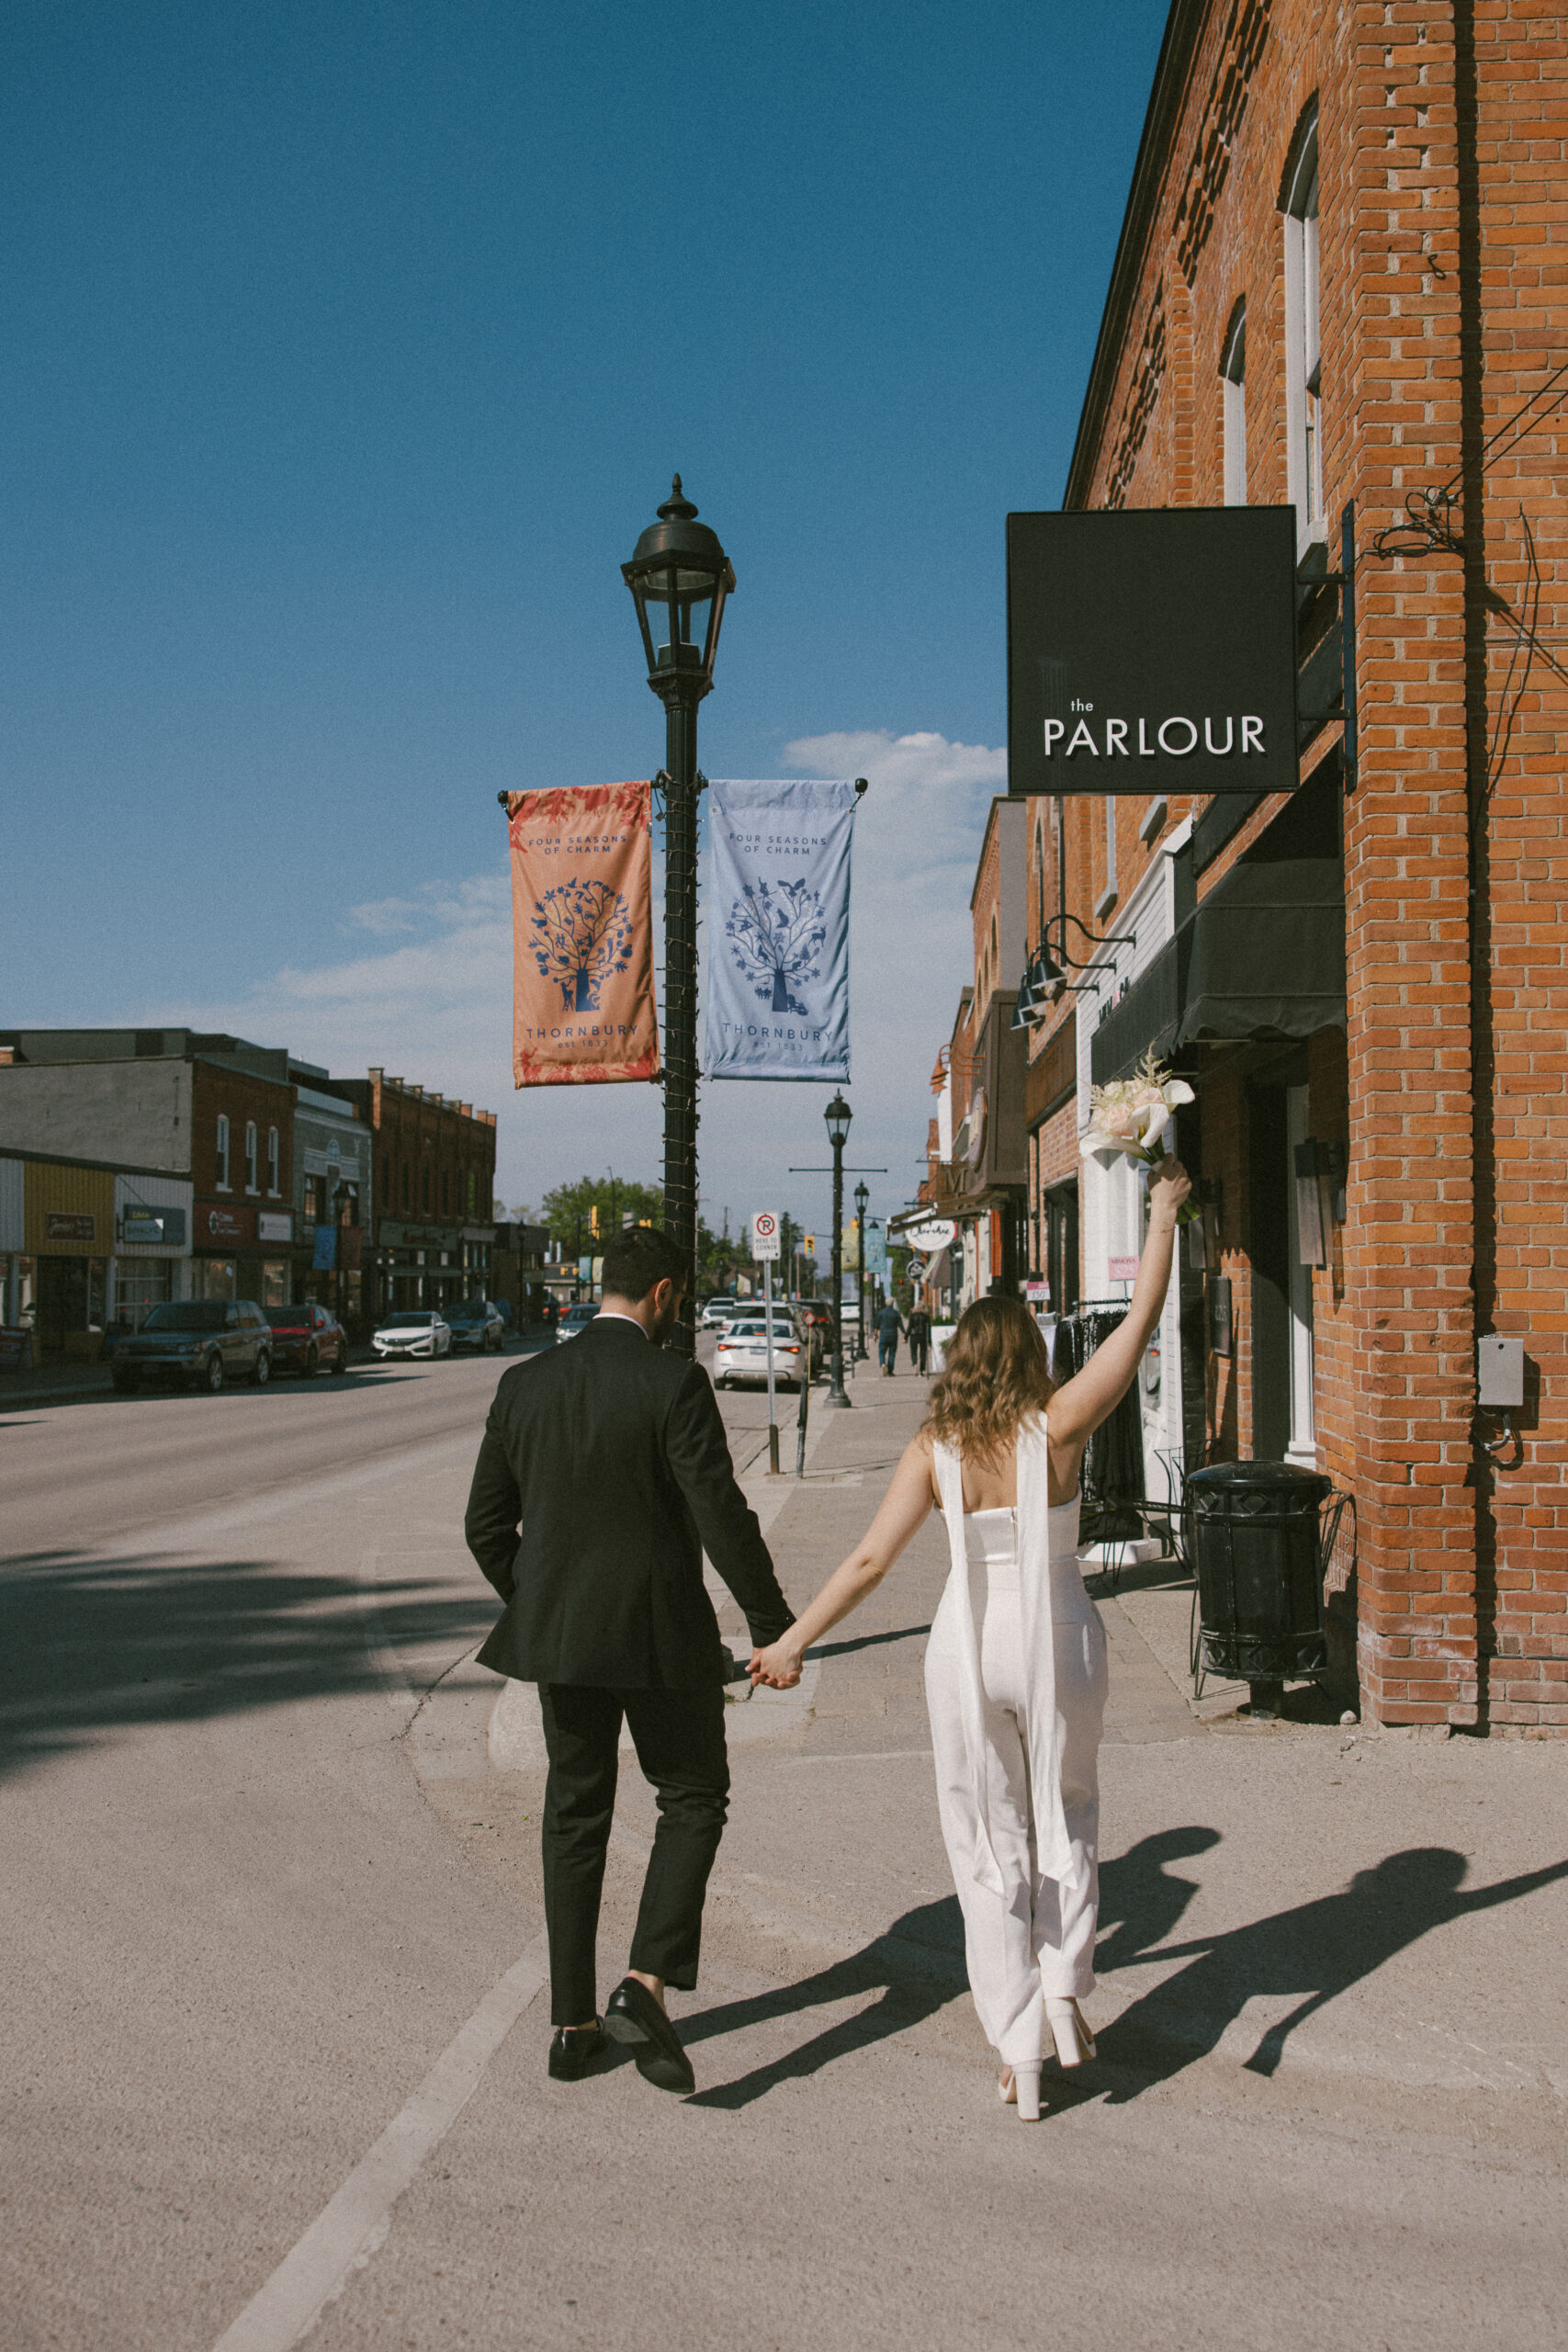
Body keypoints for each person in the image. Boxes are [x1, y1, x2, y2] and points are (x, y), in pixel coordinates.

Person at [753, 1160, 1190, 2120]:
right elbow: (1135, 1329)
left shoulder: (934, 1449)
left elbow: (868, 1562)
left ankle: (1019, 2050)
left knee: (986, 1841)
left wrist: (791, 1642)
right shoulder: (1061, 1420)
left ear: (956, 1356)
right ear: (1030, 1352)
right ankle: (1068, 1985)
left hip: (965, 1644)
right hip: (1058, 1630)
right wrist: (1162, 1218)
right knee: (1067, 1809)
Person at [465, 1223, 794, 2095]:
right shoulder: (673, 1383)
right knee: (691, 1795)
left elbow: (484, 1527)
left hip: (563, 1641)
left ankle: (570, 2027)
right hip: (659, 1638)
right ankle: (644, 1981)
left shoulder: (524, 1383)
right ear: (663, 1297)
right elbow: (721, 1514)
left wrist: (539, 1602)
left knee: (574, 1815)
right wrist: (772, 1625)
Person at [875, 1296, 905, 1376]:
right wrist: (904, 1334)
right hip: (893, 1335)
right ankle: (890, 1371)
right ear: (892, 1304)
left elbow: (877, 1325)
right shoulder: (896, 1313)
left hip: (883, 1335)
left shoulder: (881, 1312)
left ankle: (882, 1364)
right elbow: (900, 1325)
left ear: (886, 1303)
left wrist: (875, 1335)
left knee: (881, 1352)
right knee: (892, 1353)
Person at [907, 1303, 931, 1377]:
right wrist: (930, 1341)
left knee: (913, 1351)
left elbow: (910, 1327)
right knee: (923, 1353)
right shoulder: (926, 1316)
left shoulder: (912, 1316)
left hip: (914, 1335)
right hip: (923, 1336)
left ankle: (915, 1364)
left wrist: (906, 1337)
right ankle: (921, 1370)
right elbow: (928, 1329)